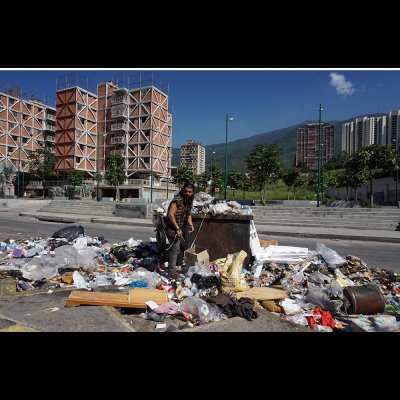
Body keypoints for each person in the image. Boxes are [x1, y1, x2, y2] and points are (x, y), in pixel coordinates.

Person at [165, 182, 195, 274]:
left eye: (190, 192)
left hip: (179, 228)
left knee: (182, 247)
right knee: (175, 250)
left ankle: (177, 267)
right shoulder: (177, 200)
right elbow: (170, 215)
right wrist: (177, 227)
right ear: (183, 191)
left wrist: (191, 225)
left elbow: (188, 214)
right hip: (172, 228)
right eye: (186, 191)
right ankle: (171, 272)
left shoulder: (188, 201)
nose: (188, 193)